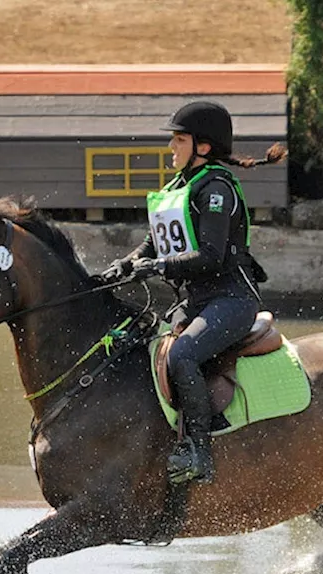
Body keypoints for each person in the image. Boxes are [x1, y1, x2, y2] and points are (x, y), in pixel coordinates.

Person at [101, 101, 285, 485]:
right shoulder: (178, 188)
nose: (171, 148)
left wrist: (161, 268)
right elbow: (153, 244)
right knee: (140, 347)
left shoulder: (216, 189)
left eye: (179, 140)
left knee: (183, 354)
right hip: (196, 302)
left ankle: (198, 451)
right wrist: (128, 263)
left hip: (231, 300)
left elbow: (211, 256)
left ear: (202, 147)